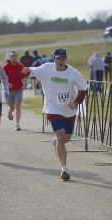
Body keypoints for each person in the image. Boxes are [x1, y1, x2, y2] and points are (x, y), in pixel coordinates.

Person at [23, 48, 88, 181]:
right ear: (54, 59)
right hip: (52, 108)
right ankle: (64, 169)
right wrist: (25, 70)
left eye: (63, 58)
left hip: (69, 110)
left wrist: (76, 102)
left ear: (66, 59)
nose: (60, 61)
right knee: (60, 136)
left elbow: (84, 89)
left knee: (66, 138)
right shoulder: (46, 68)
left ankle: (57, 141)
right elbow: (30, 70)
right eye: (58, 58)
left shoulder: (74, 73)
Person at [3, 51, 28, 131]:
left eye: (15, 56)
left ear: (17, 57)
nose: (13, 57)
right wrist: (7, 84)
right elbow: (1, 77)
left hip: (19, 88)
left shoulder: (20, 66)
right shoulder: (5, 67)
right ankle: (9, 112)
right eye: (12, 56)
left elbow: (24, 75)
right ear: (10, 58)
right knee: (12, 107)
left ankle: (17, 124)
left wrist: (25, 77)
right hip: (9, 90)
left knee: (18, 105)